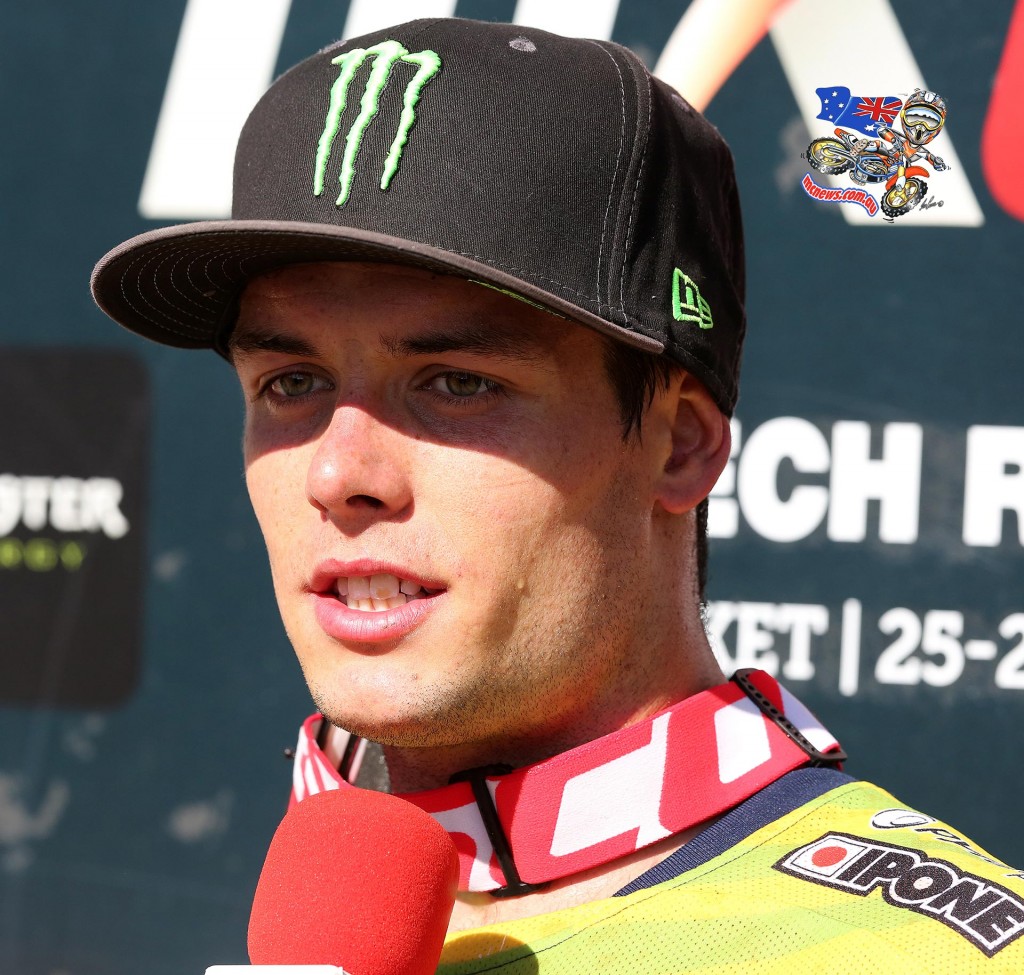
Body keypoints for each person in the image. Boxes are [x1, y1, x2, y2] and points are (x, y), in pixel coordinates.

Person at [91, 17, 1023, 973]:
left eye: (457, 383)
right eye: (293, 382)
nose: (340, 476)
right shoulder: (299, 917)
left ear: (680, 445)